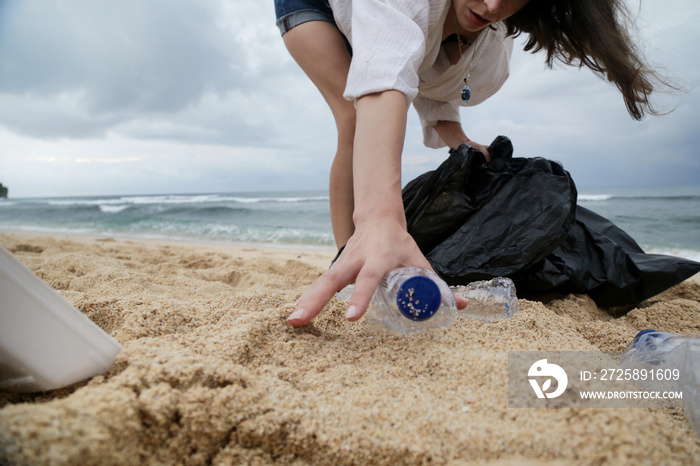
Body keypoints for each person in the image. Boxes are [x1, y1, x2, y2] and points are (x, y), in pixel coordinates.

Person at [275, 0, 666, 327]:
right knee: (353, 116)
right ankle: (349, 253)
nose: (494, 5)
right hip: (317, 5)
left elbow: (425, 67)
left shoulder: (493, 40)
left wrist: (457, 139)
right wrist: (381, 219)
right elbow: (385, 74)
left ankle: (365, 250)